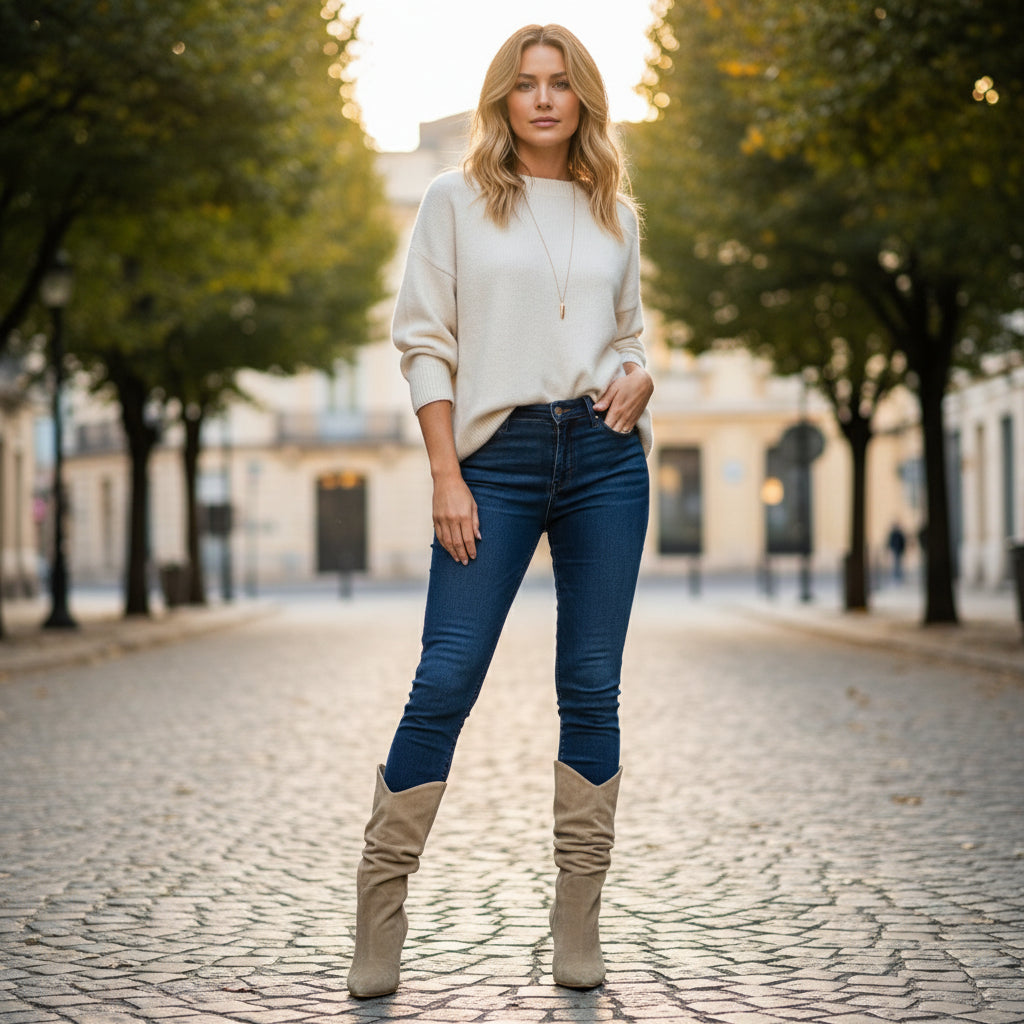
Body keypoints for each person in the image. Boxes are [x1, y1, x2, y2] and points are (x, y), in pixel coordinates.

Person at [346, 23, 654, 999]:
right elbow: (423, 343)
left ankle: (577, 921)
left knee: (592, 684)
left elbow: (633, 336)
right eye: (525, 84)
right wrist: (446, 473)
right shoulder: (454, 200)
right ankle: (379, 916)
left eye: (561, 84)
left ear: (582, 100)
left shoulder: (616, 213)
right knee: (444, 680)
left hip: (605, 456)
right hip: (495, 459)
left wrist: (644, 376)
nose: (543, 100)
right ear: (501, 100)